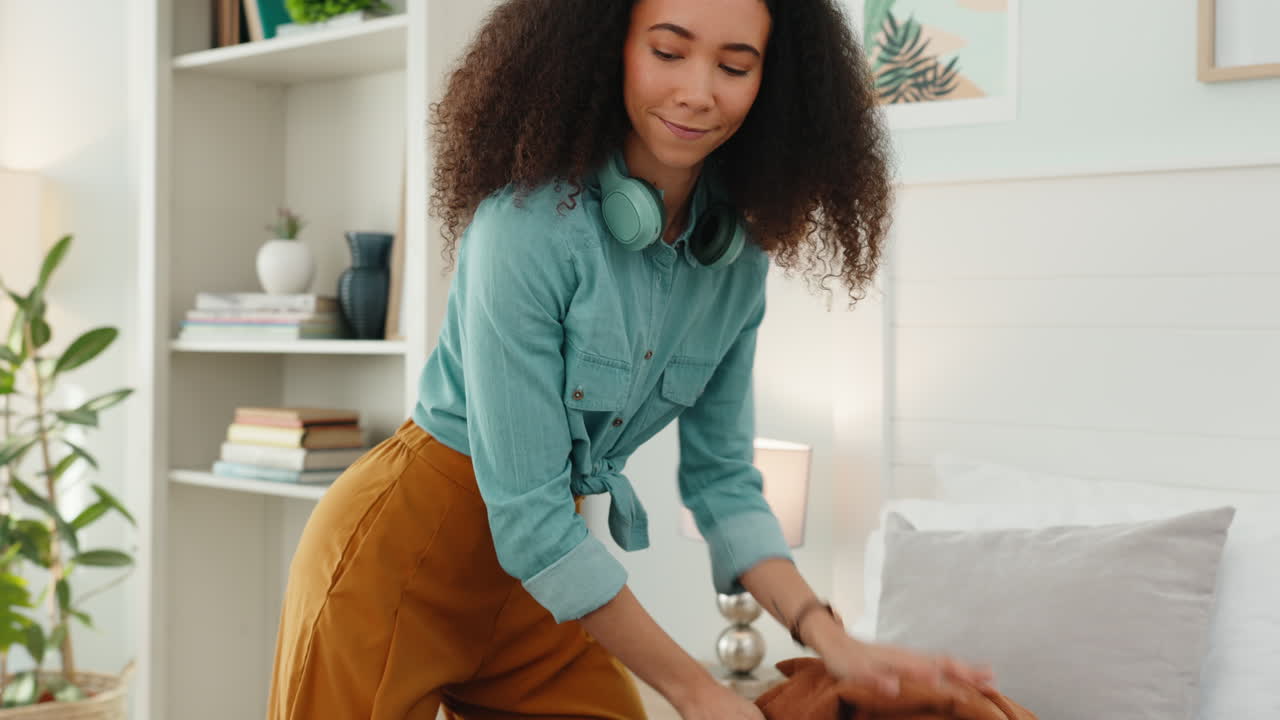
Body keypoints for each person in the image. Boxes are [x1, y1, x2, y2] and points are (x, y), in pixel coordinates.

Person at [268, 0, 994, 718]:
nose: (698, 92)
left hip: (546, 583)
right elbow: (528, 518)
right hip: (403, 557)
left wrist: (834, 640)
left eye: (735, 66)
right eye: (668, 51)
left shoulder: (735, 265)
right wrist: (697, 692)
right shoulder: (521, 232)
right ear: (606, 47)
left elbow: (726, 486)